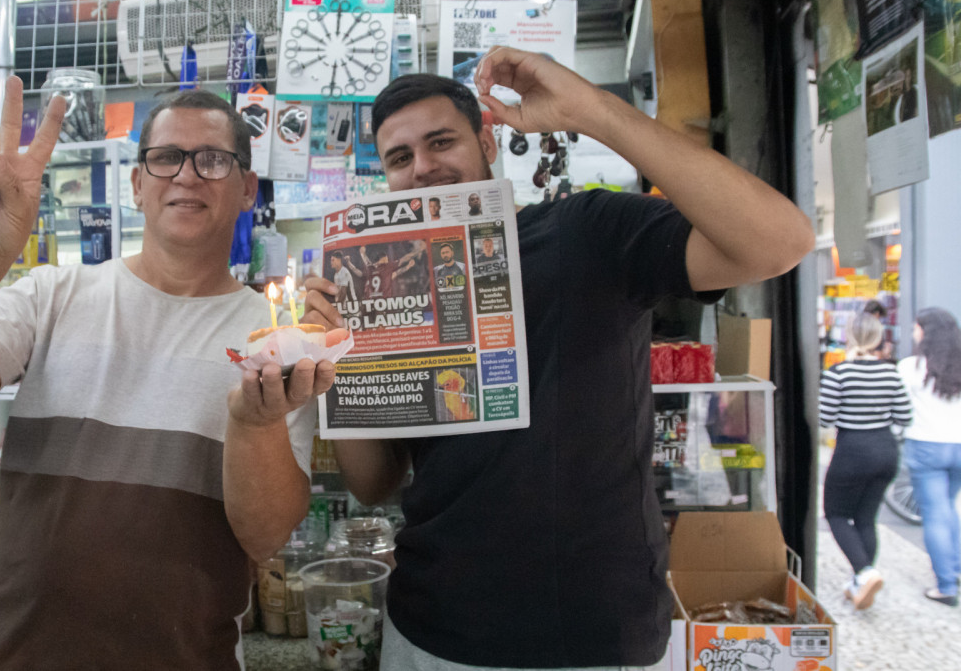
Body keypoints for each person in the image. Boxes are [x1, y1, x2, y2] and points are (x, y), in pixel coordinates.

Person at [301, 49, 814, 668]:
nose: (424, 168)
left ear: (488, 141)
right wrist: (336, 363)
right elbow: (375, 482)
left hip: (592, 632)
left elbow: (780, 242)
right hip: (432, 627)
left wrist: (595, 112)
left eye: (442, 142)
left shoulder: (586, 230)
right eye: (400, 158)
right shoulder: (384, 278)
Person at [0, 79, 335, 670]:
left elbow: (266, 537)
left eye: (213, 160)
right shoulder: (52, 294)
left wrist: (253, 422)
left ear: (246, 189)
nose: (186, 175)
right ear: (137, 184)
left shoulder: (276, 341)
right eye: (166, 158)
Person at [818, 311, 912, 610]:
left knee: (835, 513)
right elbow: (905, 416)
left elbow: (824, 418)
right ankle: (861, 581)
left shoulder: (840, 373)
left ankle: (865, 572)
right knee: (866, 518)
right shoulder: (890, 372)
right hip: (885, 451)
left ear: (850, 336)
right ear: (878, 338)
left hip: (852, 451)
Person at [897, 307, 961, 607]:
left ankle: (946, 585)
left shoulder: (911, 367)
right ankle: (956, 570)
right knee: (949, 507)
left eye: (915, 328)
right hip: (959, 446)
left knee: (935, 514)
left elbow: (900, 410)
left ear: (925, 332)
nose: (913, 333)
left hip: (926, 446)